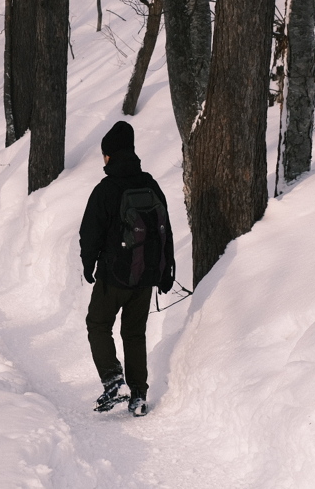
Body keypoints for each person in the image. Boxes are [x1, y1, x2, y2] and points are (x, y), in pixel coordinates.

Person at [79, 120, 175, 416]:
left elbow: (90, 232)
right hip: (145, 276)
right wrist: (166, 270)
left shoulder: (106, 189)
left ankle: (113, 381)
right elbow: (165, 231)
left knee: (98, 324)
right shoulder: (150, 183)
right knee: (134, 333)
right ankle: (138, 395)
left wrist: (89, 264)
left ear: (109, 155)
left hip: (115, 276)